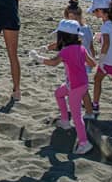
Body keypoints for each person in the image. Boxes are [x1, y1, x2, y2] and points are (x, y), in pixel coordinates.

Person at [37, 19, 95, 155]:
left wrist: (38, 58)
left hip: (74, 86)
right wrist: (79, 66)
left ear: (62, 36)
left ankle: (84, 142)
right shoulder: (81, 48)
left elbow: (52, 63)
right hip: (82, 83)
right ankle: (64, 121)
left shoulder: (65, 51)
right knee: (59, 93)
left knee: (76, 116)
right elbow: (92, 63)